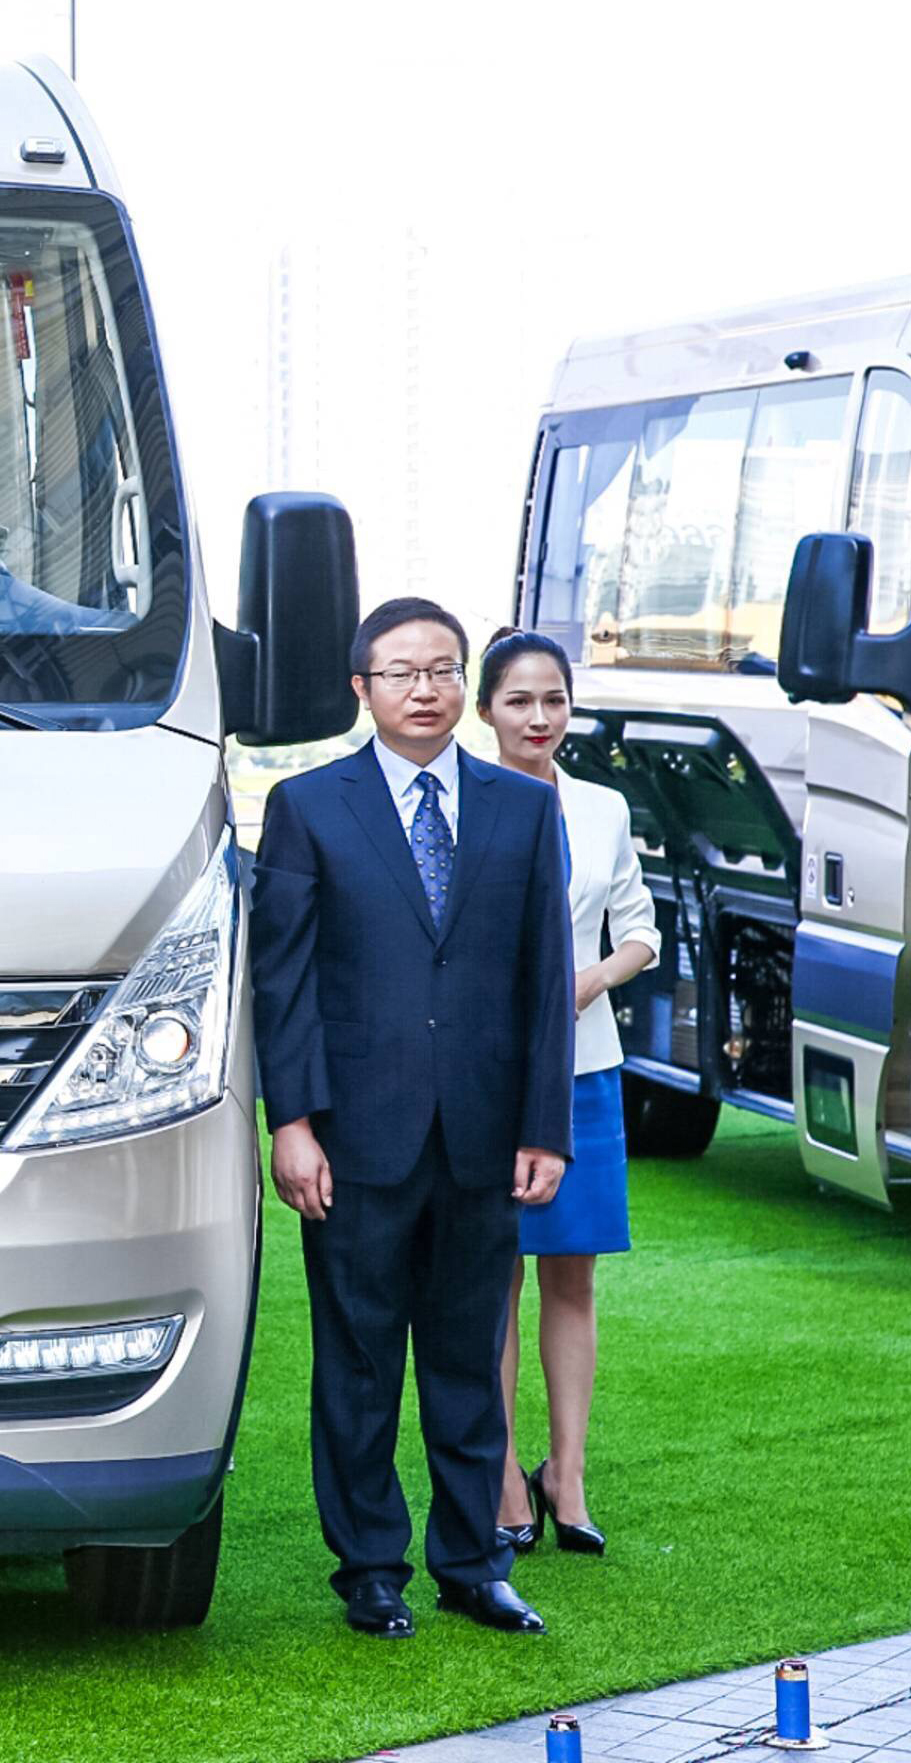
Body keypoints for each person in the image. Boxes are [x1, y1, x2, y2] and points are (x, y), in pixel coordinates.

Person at [251, 596, 575, 1639]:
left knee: (467, 1359)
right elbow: (283, 980)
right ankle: (369, 1570)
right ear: (362, 689)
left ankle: (474, 1564)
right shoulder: (308, 806)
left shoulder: (522, 809)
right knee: (357, 1364)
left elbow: (544, 979)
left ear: (461, 686)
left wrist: (544, 1126)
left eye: (442, 671)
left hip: (484, 1135)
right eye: (400, 673)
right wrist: (291, 1121)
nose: (424, 690)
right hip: (353, 1137)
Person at [475, 627, 657, 1558]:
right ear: (486, 711)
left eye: (554, 700)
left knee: (572, 1274)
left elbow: (641, 931)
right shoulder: (461, 802)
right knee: (494, 1277)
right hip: (485, 1073)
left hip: (583, 1067)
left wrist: (591, 979)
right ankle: (505, 1475)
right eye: (519, 701)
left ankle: (568, 1475)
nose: (539, 717)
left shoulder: (602, 809)